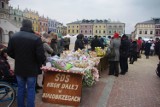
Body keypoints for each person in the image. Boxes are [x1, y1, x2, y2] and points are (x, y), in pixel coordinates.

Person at [7, 19, 46, 107]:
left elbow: (9, 51)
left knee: (21, 89)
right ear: (31, 26)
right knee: (31, 89)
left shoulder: (14, 37)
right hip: (31, 69)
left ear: (22, 25)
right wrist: (43, 61)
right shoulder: (36, 38)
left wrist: (18, 57)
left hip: (20, 68)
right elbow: (40, 55)